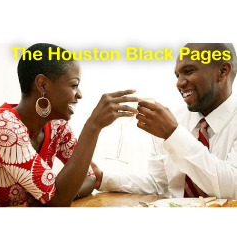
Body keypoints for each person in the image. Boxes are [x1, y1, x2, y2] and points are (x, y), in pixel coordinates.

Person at [0, 43, 139, 208]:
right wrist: (93, 126)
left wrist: (55, 193)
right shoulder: (3, 128)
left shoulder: (56, 125)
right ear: (42, 84)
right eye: (74, 85)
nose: (79, 95)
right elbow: (59, 201)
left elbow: (90, 178)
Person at [92, 43, 237, 199]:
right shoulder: (176, 120)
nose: (179, 83)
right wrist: (104, 179)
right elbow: (159, 185)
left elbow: (232, 188)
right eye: (177, 75)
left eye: (188, 71)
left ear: (222, 72)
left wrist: (174, 134)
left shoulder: (172, 127)